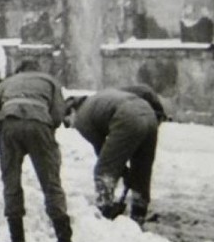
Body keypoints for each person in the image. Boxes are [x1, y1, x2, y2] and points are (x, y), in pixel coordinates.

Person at [0, 59, 82, 242]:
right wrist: (43, 133)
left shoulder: (6, 83)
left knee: (11, 183)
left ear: (19, 71)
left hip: (8, 126)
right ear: (37, 70)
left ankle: (17, 241)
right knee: (51, 183)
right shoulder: (49, 81)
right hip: (39, 125)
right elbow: (58, 114)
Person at [64, 85, 165, 225]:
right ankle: (139, 214)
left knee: (103, 171)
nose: (71, 126)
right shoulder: (96, 99)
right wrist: (127, 173)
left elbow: (103, 152)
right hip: (149, 114)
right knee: (142, 170)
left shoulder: (82, 117)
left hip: (127, 117)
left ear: (72, 111)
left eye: (67, 122)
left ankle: (104, 213)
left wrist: (123, 172)